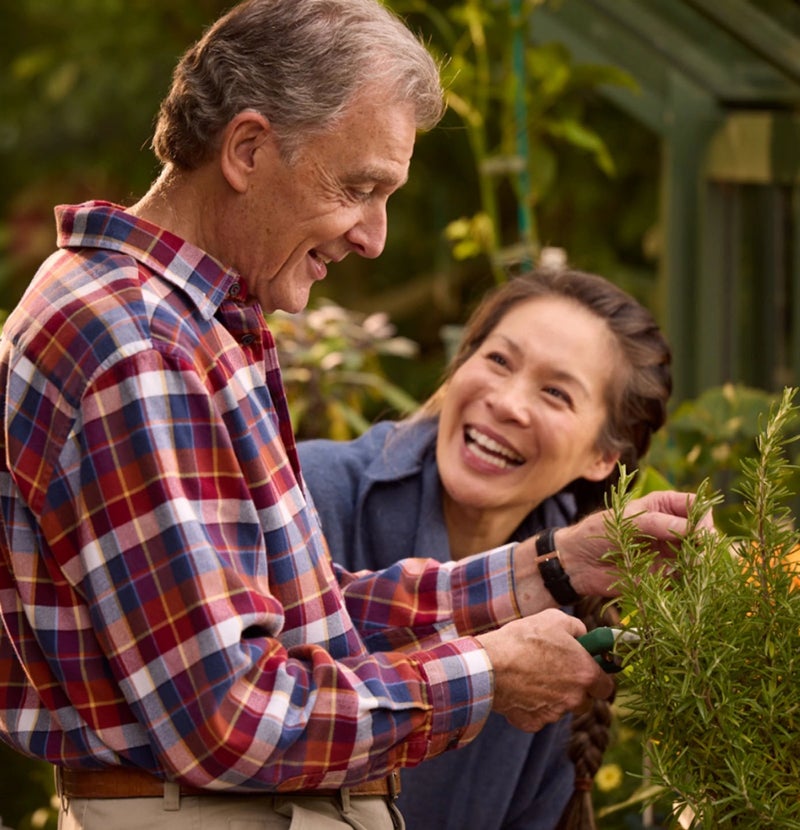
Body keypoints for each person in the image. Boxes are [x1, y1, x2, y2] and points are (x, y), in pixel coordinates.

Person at [0, 3, 706, 830]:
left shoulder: (183, 321)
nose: (373, 237)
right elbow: (231, 719)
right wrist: (484, 673)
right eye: (359, 188)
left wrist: (548, 570)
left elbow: (302, 623)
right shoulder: (139, 344)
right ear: (248, 149)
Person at [297, 267, 673, 830]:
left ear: (603, 457)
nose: (507, 402)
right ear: (458, 367)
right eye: (498, 360)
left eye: (555, 392)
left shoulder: (578, 614)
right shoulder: (308, 493)